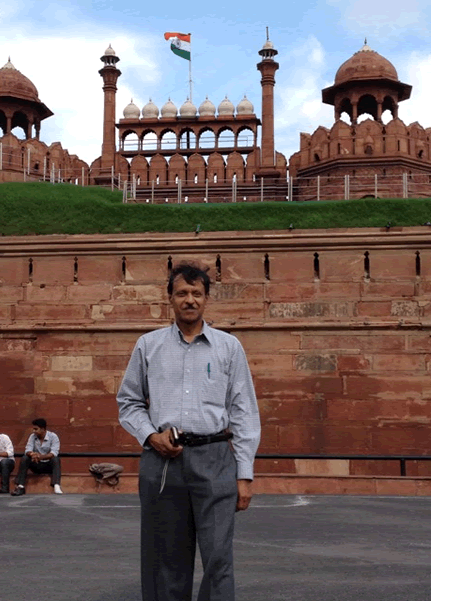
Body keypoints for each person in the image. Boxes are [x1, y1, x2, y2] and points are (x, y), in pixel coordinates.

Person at [117, 262, 261, 601]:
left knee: (218, 557)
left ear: (207, 299)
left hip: (215, 459)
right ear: (170, 298)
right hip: (163, 462)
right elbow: (129, 401)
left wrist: (245, 475)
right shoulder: (148, 345)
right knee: (164, 559)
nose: (190, 300)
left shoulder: (228, 347)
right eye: (182, 293)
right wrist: (151, 436)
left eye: (197, 293)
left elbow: (244, 412)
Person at [11, 418, 63, 496]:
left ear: (42, 429)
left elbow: (53, 453)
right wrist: (33, 455)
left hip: (48, 465)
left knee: (56, 459)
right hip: (36, 463)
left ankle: (56, 485)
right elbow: (28, 449)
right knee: (25, 458)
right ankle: (21, 486)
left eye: (36, 429)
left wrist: (41, 457)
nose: (34, 431)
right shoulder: (32, 436)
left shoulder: (53, 436)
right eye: (33, 429)